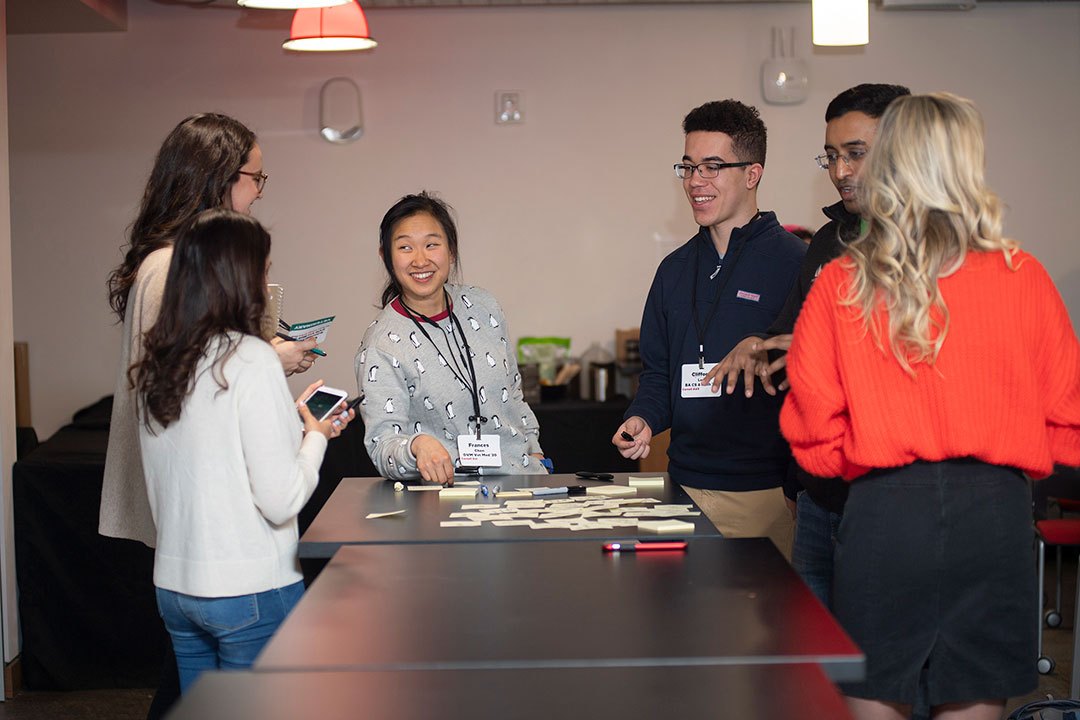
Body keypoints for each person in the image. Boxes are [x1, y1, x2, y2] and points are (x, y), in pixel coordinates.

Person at [781, 92, 1080, 718]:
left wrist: (871, 464)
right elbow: (1068, 423)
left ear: (888, 166)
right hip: (994, 519)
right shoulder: (1023, 275)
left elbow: (810, 431)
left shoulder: (843, 281)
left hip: (884, 516)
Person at [102, 112, 317, 718]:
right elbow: (189, 385)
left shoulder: (178, 262)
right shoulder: (170, 266)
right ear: (219, 179)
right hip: (213, 532)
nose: (257, 193)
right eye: (255, 178)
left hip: (192, 539)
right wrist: (267, 360)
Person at [705, 83, 910, 606]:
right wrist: (761, 341)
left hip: (888, 497)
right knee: (812, 659)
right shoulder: (825, 242)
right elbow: (794, 337)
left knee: (875, 661)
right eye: (833, 156)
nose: (841, 171)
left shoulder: (927, 249)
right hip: (819, 494)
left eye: (856, 154)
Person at [133, 208, 353, 693]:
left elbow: (198, 470)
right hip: (248, 588)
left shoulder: (159, 361)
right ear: (241, 277)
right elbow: (280, 500)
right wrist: (315, 435)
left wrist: (294, 427)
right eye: (265, 270)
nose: (267, 281)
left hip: (175, 584)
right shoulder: (252, 359)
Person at [611, 100, 806, 553]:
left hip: (768, 495)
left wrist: (798, 488)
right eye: (688, 166)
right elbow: (658, 375)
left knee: (766, 625)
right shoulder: (673, 270)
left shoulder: (793, 263)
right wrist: (642, 419)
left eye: (713, 167)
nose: (695, 181)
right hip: (682, 489)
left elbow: (817, 379)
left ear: (752, 174)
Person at [356, 192, 547, 484]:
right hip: (448, 500)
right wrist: (415, 446)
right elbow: (382, 445)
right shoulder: (382, 344)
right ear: (386, 257)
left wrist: (534, 452)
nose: (420, 260)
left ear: (452, 251)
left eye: (432, 245)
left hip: (521, 483)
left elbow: (513, 391)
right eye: (405, 247)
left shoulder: (484, 306)